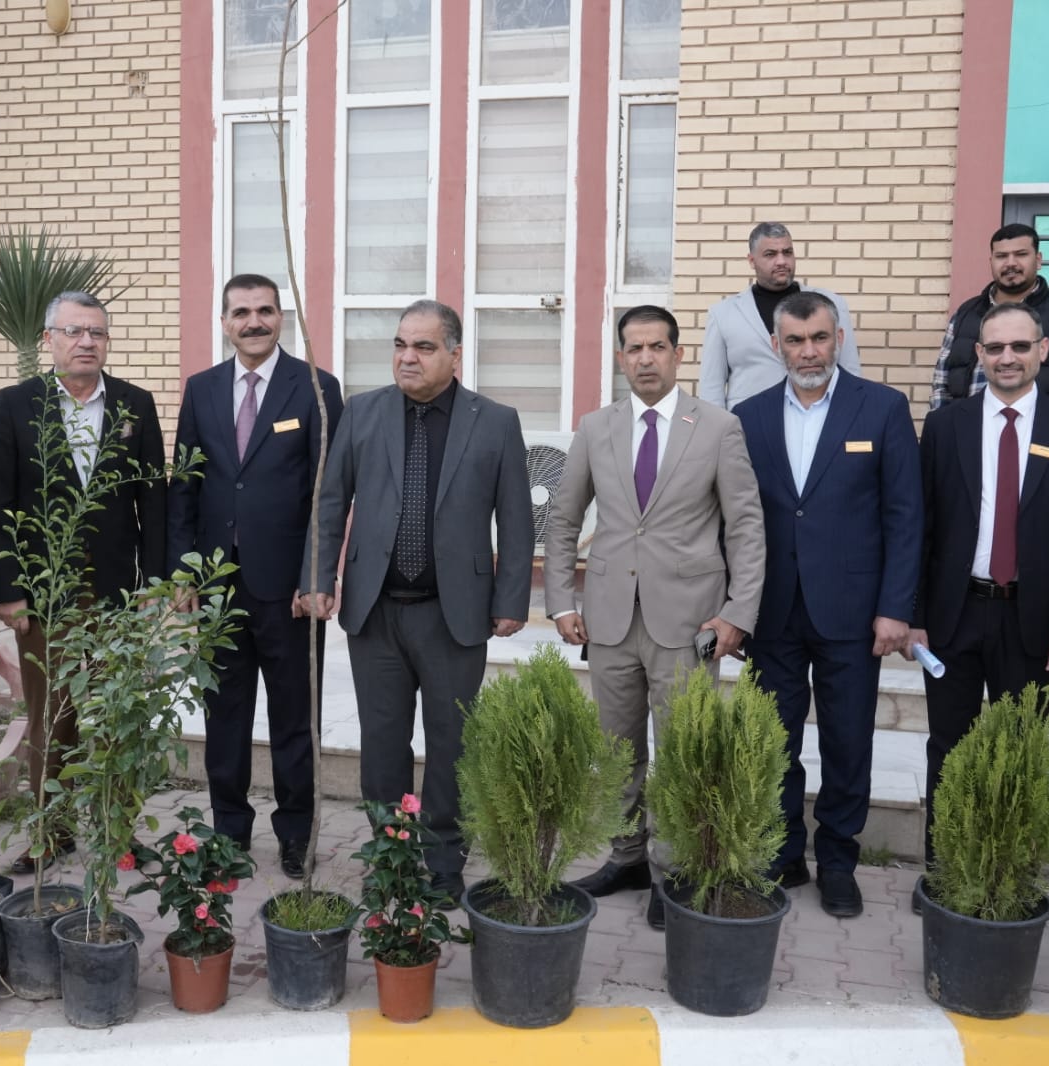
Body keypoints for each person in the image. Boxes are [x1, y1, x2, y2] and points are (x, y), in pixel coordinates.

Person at [298, 300, 533, 902]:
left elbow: (515, 518)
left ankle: (445, 859)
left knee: (452, 744)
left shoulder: (495, 421)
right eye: (401, 345)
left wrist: (512, 597)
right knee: (382, 745)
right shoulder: (364, 412)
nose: (408, 357)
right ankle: (391, 857)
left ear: (455, 355)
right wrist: (318, 578)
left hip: (455, 613)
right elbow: (331, 501)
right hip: (375, 610)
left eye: (424, 347)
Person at [544, 304, 766, 929]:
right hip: (609, 619)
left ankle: (675, 872)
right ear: (621, 357)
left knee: (680, 752)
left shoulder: (717, 427)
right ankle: (627, 858)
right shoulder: (596, 427)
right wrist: (559, 600)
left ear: (677, 354)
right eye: (634, 349)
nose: (645, 359)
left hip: (688, 622)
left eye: (657, 347)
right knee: (617, 750)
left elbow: (746, 527)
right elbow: (563, 519)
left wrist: (737, 614)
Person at [733, 291, 922, 918]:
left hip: (854, 612)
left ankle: (838, 861)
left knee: (847, 742)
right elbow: (736, 519)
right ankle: (783, 853)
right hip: (774, 611)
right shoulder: (748, 416)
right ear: (776, 346)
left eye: (819, 338)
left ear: (838, 338)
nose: (808, 351)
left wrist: (896, 608)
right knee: (773, 741)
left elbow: (906, 516)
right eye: (795, 340)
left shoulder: (883, 408)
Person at [0, 290, 167, 875]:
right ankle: (50, 834)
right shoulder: (16, 404)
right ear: (49, 340)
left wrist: (154, 584)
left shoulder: (136, 404)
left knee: (118, 715)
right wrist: (9, 590)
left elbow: (154, 502)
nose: (87, 342)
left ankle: (117, 834)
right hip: (43, 593)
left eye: (97, 332)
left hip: (117, 592)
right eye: (74, 331)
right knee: (50, 715)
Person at [908, 302, 1049, 869]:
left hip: (1032, 621)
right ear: (979, 355)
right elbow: (921, 529)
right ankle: (945, 871)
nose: (1007, 358)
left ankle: (1003, 875)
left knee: (1018, 753)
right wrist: (914, 616)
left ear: (1043, 350)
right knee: (948, 748)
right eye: (995, 348)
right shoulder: (946, 425)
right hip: (955, 614)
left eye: (1019, 346)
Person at [167, 273, 344, 879]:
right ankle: (229, 834)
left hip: (290, 590)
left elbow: (327, 493)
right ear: (224, 322)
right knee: (225, 717)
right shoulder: (202, 389)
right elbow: (184, 486)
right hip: (217, 586)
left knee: (294, 718)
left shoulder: (316, 387)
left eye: (264, 310)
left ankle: (296, 835)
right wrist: (183, 573)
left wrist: (316, 577)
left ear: (280, 317)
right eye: (241, 312)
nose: (253, 322)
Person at [930, 222, 1049, 445]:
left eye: (1021, 254)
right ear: (991, 262)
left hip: (1044, 448)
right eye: (1002, 256)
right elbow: (941, 386)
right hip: (970, 445)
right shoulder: (965, 315)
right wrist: (945, 439)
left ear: (1038, 260)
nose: (1011, 263)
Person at [699, 222, 862, 412]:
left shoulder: (831, 305)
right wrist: (717, 429)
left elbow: (850, 372)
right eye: (770, 254)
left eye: (787, 252)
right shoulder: (723, 314)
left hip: (818, 417)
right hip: (747, 424)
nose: (781, 261)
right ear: (751, 260)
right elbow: (711, 387)